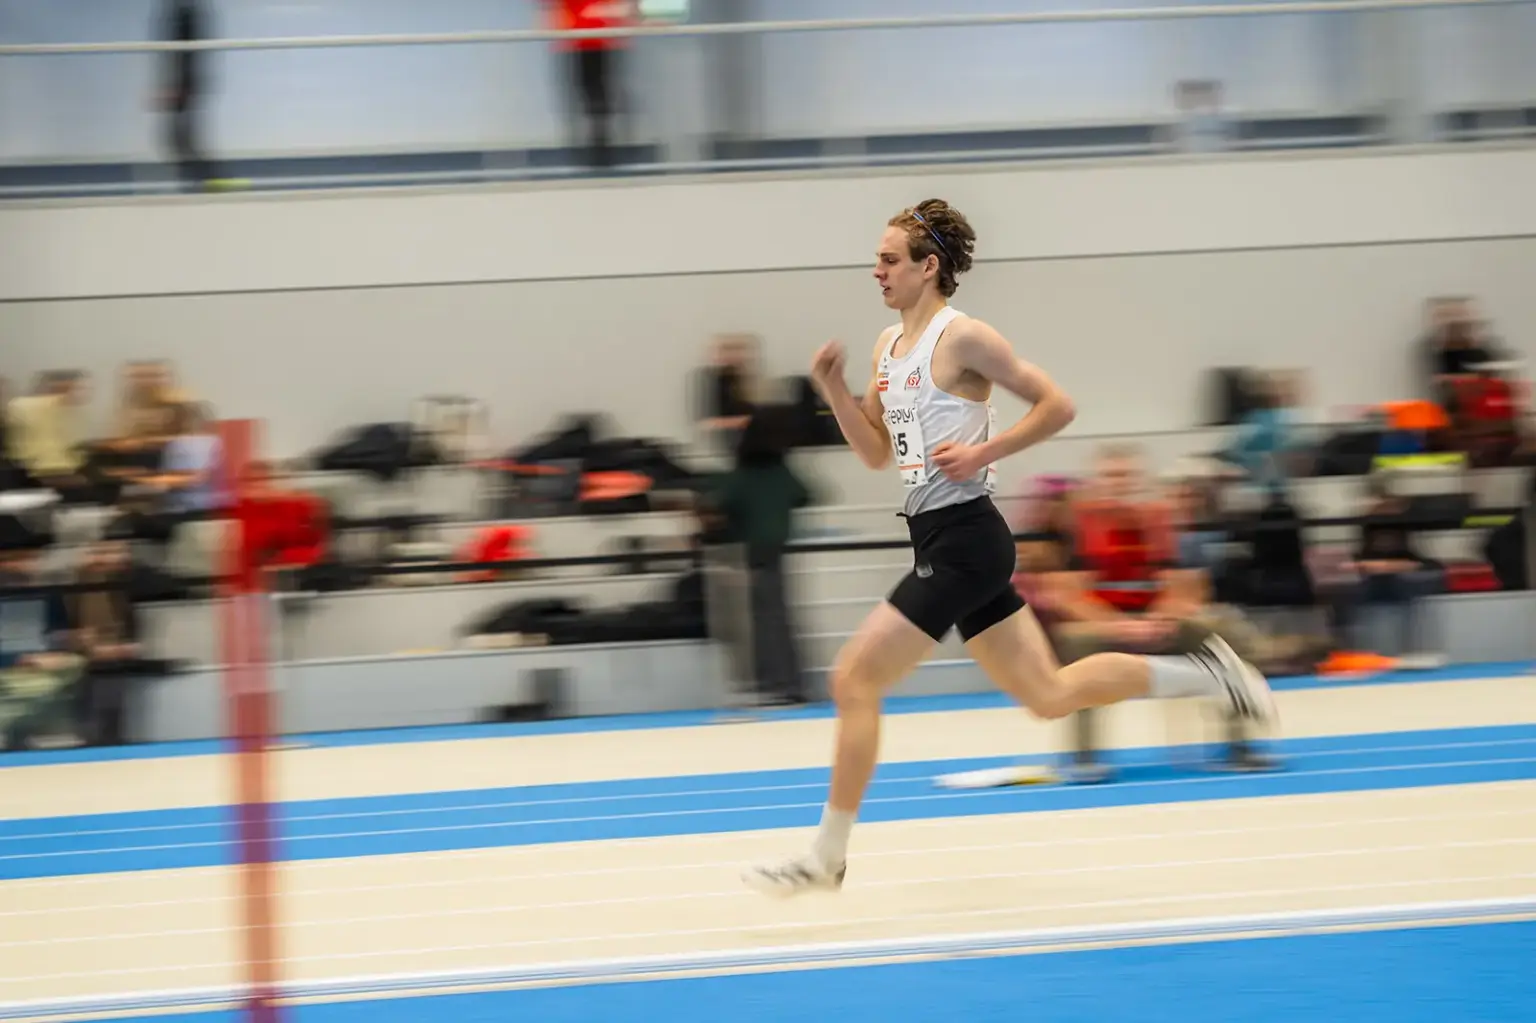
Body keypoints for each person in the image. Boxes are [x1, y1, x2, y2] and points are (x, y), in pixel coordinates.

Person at [743, 198, 1276, 896]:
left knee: (853, 678)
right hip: (938, 536)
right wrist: (833, 391)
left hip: (967, 539)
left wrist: (985, 449)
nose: (875, 269)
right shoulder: (886, 347)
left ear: (928, 266)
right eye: (876, 258)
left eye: (888, 259)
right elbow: (875, 452)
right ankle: (1208, 673)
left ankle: (826, 855)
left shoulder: (964, 338)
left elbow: (1057, 403)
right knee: (1050, 694)